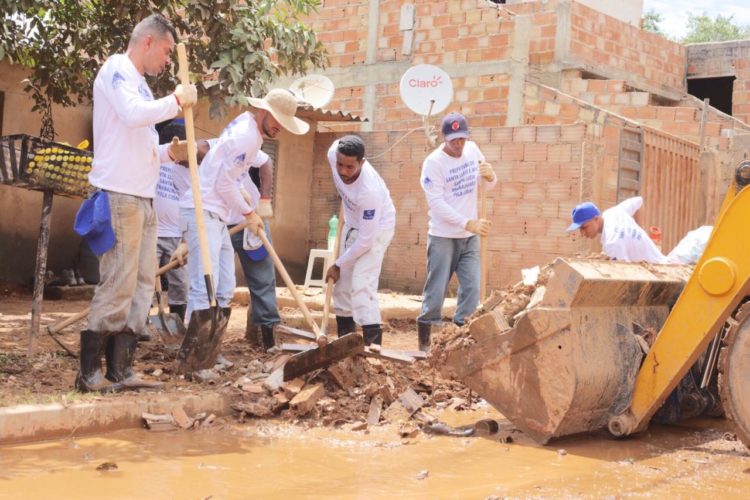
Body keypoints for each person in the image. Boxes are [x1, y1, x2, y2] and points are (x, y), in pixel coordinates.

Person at [75, 13, 197, 393]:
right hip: (120, 195)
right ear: (148, 42)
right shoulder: (117, 70)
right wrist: (176, 100)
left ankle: (121, 370)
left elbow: (138, 143)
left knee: (143, 284)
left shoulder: (141, 86)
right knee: (119, 282)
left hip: (143, 198)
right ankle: (88, 374)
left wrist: (168, 153)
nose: (167, 60)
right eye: (166, 51)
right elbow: (131, 116)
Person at [178, 89, 308, 358]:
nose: (280, 127)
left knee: (224, 288)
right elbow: (223, 184)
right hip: (204, 210)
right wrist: (249, 212)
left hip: (219, 215)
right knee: (205, 287)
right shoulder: (246, 136)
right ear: (265, 111)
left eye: (284, 124)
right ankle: (194, 357)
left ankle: (210, 352)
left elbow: (228, 175)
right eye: (278, 120)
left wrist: (246, 194)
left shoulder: (250, 129)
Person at [416, 112, 497, 352]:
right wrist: (467, 223)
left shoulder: (473, 150)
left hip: (469, 237)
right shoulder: (433, 163)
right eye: (454, 140)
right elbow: (436, 204)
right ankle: (426, 343)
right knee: (436, 290)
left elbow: (487, 184)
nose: (459, 144)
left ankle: (460, 340)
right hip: (443, 236)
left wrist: (491, 176)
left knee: (472, 289)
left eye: (462, 138)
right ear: (444, 138)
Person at [324, 135, 396, 346]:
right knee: (341, 286)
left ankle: (372, 348)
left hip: (377, 229)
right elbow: (337, 143)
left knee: (362, 285)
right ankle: (345, 345)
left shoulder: (369, 191)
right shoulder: (333, 153)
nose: (343, 171)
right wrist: (341, 267)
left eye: (350, 167)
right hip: (352, 224)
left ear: (362, 163)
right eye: (340, 164)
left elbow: (365, 240)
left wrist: (338, 264)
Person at [153, 119, 189, 323]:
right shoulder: (154, 162)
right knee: (146, 280)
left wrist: (186, 238)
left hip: (177, 236)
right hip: (153, 234)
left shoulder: (186, 168)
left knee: (181, 283)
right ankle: (139, 324)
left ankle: (177, 321)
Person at [566, 197, 667, 264]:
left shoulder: (612, 243)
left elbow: (626, 274)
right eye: (580, 229)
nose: (582, 233)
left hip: (658, 273)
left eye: (584, 227)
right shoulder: (612, 212)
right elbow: (639, 201)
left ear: (596, 219)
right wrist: (641, 229)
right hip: (661, 261)